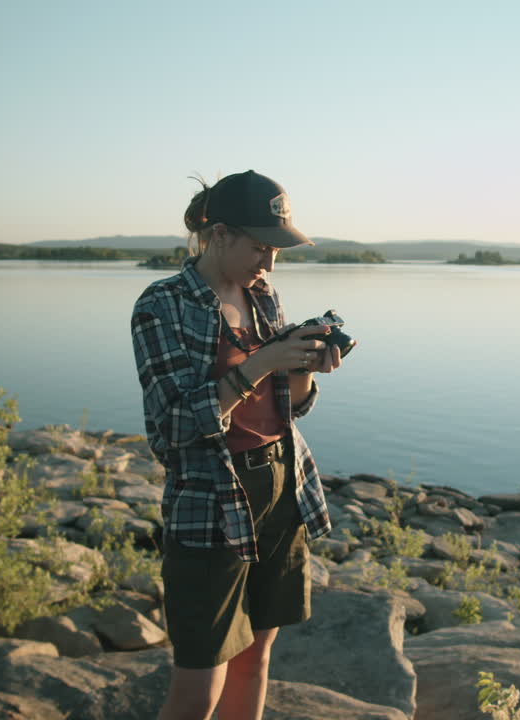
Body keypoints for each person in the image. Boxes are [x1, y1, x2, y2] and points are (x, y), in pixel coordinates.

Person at [130, 170, 348, 720]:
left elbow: (290, 407)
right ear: (220, 234)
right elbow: (173, 428)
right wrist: (262, 364)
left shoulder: (262, 296)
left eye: (277, 250)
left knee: (256, 658)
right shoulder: (162, 304)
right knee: (200, 680)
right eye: (261, 247)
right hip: (210, 499)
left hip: (281, 485)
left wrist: (303, 368)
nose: (270, 263)